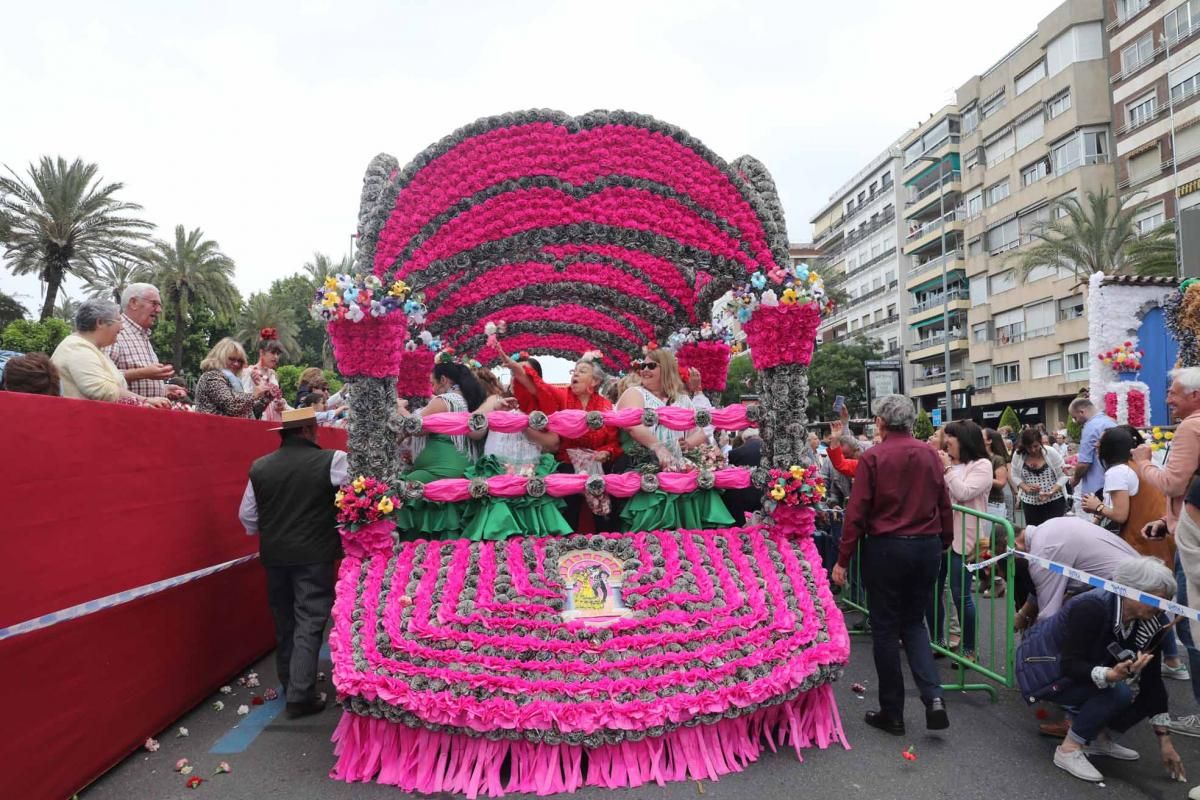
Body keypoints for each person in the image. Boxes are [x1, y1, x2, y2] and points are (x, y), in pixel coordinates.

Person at [832, 394, 952, 736]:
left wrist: (844, 559)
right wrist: (944, 539)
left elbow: (856, 513)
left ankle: (893, 711)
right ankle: (933, 697)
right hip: (926, 545)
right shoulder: (930, 454)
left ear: (881, 423)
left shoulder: (874, 457)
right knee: (915, 623)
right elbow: (943, 500)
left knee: (885, 628)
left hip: (886, 547)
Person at [1031, 558, 1184, 784]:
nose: (1163, 607)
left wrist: (1166, 741)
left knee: (1140, 690)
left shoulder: (1152, 621)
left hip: (1082, 671)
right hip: (1045, 673)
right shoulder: (1092, 607)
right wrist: (1110, 675)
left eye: (1167, 601)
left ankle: (1097, 738)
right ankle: (1069, 749)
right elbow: (1069, 665)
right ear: (1132, 591)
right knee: (1119, 691)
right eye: (1158, 600)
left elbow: (1154, 683)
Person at [238, 407, 346, 719]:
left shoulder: (260, 467)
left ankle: (291, 682)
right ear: (309, 430)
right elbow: (357, 496)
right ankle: (300, 694)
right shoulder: (332, 459)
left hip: (275, 554)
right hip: (314, 552)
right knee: (310, 619)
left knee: (285, 619)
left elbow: (247, 516)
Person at [1135, 367, 1200, 739]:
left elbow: (1174, 482)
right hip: (1183, 528)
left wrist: (1143, 460)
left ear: (1194, 395)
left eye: (1173, 393)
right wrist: (1166, 518)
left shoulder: (1191, 428)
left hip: (1192, 543)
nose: (1168, 400)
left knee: (1193, 632)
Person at [501, 347, 622, 531]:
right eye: (574, 371)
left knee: (604, 507)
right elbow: (536, 386)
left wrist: (606, 452)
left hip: (597, 466)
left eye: (582, 371)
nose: (575, 374)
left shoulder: (605, 406)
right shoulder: (562, 396)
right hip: (567, 464)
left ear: (595, 381)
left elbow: (613, 441)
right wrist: (515, 368)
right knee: (569, 500)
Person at [615, 347, 732, 532]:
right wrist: (658, 447)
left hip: (678, 471)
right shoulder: (635, 393)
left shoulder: (682, 399)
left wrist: (690, 442)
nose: (644, 369)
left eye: (651, 365)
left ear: (667, 368)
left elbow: (702, 429)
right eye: (642, 365)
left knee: (689, 529)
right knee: (650, 528)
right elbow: (633, 425)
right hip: (645, 468)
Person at [459, 366, 569, 541]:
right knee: (495, 539)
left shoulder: (543, 409)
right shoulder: (496, 400)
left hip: (531, 477)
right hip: (496, 476)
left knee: (536, 542)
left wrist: (523, 425)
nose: (517, 378)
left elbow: (553, 444)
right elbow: (472, 431)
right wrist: (495, 407)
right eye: (514, 374)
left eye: (523, 375)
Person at [393, 357, 486, 537]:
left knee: (398, 491)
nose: (432, 389)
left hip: (441, 469)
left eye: (433, 383)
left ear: (444, 380)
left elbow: (416, 427)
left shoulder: (446, 400)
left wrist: (399, 408)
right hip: (452, 466)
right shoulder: (465, 399)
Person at [927, 420, 991, 660]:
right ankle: (938, 640)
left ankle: (968, 648)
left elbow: (964, 493)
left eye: (950, 441)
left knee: (960, 595)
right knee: (932, 591)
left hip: (965, 538)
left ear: (963, 442)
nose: (947, 445)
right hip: (938, 534)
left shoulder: (982, 465)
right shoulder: (947, 464)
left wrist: (946, 470)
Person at [1012, 518, 1139, 627]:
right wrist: (1023, 615)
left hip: (1128, 593)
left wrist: (1031, 645)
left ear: (1014, 545)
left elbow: (1048, 615)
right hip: (1136, 574)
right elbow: (1043, 588)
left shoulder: (1042, 553)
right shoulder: (1048, 527)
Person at [51, 299, 170, 408]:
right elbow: (102, 390)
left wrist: (149, 398)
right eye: (119, 320)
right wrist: (144, 401)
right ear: (100, 322)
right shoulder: (77, 348)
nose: (122, 327)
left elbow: (110, 385)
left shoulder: (94, 349)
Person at [102, 283, 186, 401]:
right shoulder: (116, 333)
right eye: (154, 304)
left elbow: (138, 384)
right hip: (123, 416)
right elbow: (101, 377)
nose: (159, 310)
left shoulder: (142, 336)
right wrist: (143, 373)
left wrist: (164, 389)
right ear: (134, 303)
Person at [1081, 427, 1142, 535]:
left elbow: (1120, 515)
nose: (1096, 445)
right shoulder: (1125, 468)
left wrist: (1097, 506)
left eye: (1101, 441)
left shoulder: (1116, 472)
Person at [195, 338, 274, 418]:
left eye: (240, 361)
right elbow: (231, 405)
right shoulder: (212, 376)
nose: (236, 364)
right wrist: (254, 394)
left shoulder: (233, 380)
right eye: (231, 359)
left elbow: (247, 414)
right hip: (212, 428)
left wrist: (266, 399)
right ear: (220, 357)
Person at [1009, 427, 1070, 525]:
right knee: (1034, 533)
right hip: (1030, 502)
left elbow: (1063, 476)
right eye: (1029, 447)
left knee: (1053, 532)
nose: (1033, 450)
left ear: (1040, 442)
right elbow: (1014, 475)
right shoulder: (1018, 455)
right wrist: (1026, 487)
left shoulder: (1051, 452)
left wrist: (1050, 492)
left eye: (1036, 446)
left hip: (1054, 500)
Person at [1069, 397, 1117, 516]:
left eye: (1075, 417)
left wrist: (1075, 479)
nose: (1075, 421)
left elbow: (1084, 462)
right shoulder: (1111, 422)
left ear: (1082, 412)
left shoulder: (1090, 427)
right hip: (1114, 483)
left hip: (1097, 489)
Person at [724, 428, 763, 523]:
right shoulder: (770, 451)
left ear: (744, 439)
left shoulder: (734, 453)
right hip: (765, 494)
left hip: (743, 496)